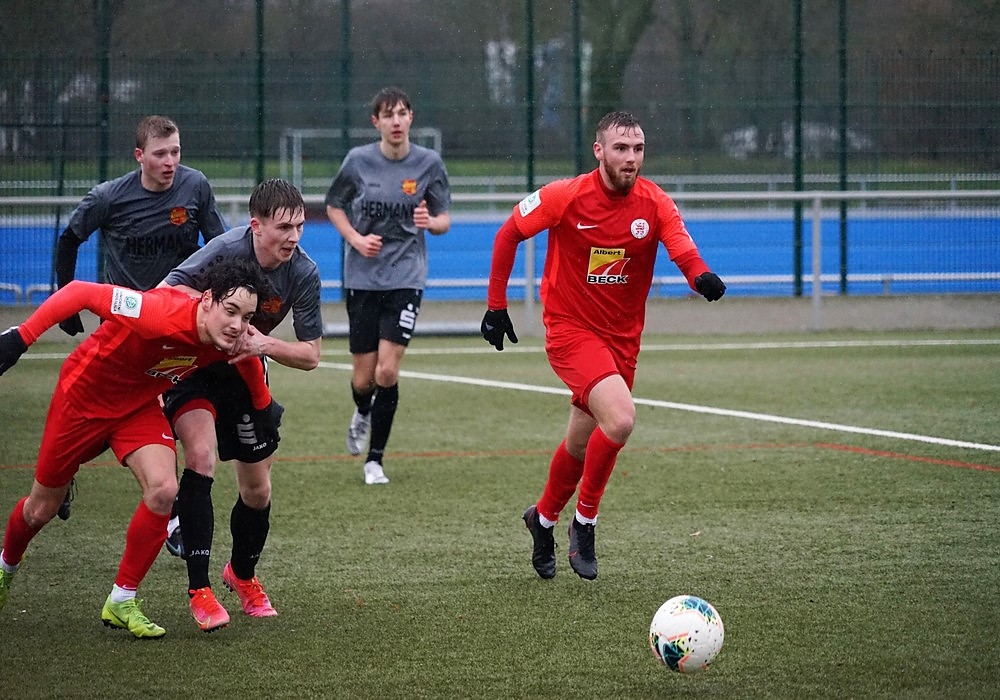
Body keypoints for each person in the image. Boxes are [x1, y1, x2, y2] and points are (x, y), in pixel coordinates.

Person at [481, 111, 727, 581]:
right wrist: (496, 306)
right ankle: (585, 522)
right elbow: (508, 232)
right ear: (599, 151)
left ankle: (542, 519)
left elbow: (682, 248)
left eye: (638, 149)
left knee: (580, 442)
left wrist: (700, 277)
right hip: (570, 330)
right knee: (622, 418)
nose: (631, 158)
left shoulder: (655, 202)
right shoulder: (565, 196)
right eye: (620, 148)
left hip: (622, 341)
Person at [0, 259, 280, 638]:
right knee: (40, 510)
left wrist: (263, 408)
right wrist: (21, 337)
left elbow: (247, 360)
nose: (237, 325)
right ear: (207, 300)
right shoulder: (157, 312)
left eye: (246, 317)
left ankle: (122, 599)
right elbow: (80, 292)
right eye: (230, 311)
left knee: (164, 490)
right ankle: (5, 567)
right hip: (82, 401)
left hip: (137, 408)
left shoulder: (230, 339)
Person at [158, 177, 322, 632]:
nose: (294, 236)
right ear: (256, 225)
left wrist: (261, 343)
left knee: (257, 491)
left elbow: (311, 355)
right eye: (284, 227)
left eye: (300, 227)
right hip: (196, 369)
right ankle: (200, 590)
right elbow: (166, 291)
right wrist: (215, 321)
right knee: (201, 457)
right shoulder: (225, 250)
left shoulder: (304, 272)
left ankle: (242, 574)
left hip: (247, 374)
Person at [53, 114, 228, 534]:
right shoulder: (108, 197)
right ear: (139, 156)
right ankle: (62, 472)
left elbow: (220, 247)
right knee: (104, 420)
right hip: (124, 329)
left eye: (176, 152)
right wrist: (66, 302)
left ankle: (174, 518)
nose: (170, 162)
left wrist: (224, 309)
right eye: (160, 154)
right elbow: (69, 239)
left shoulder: (195, 187)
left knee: (172, 415)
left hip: (179, 327)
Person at [324, 86, 452, 485]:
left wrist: (431, 223)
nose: (395, 121)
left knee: (387, 370)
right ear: (375, 122)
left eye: (401, 114)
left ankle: (374, 460)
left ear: (411, 118)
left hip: (406, 277)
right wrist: (356, 239)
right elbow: (334, 205)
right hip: (363, 278)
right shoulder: (357, 161)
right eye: (388, 115)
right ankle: (363, 410)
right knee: (363, 379)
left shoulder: (429, 163)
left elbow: (444, 219)